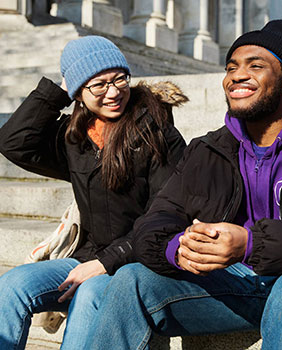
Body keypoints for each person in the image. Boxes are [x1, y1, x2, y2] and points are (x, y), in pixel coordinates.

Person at [85, 20, 282, 350]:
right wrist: (179, 248)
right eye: (231, 66)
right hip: (237, 287)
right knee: (131, 280)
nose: (237, 75)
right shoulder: (207, 149)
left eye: (256, 65)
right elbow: (153, 222)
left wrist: (251, 244)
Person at [0, 35, 186, 349]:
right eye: (98, 84)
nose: (114, 92)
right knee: (12, 285)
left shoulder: (158, 133)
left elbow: (165, 218)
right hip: (87, 258)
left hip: (137, 264)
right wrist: (59, 89)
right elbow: (13, 142)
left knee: (90, 292)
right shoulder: (74, 135)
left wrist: (105, 263)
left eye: (119, 79)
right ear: (78, 92)